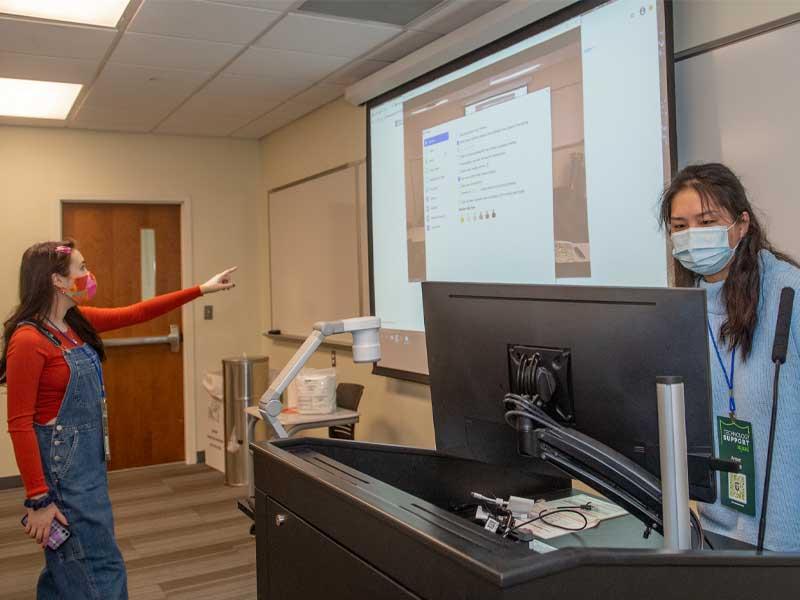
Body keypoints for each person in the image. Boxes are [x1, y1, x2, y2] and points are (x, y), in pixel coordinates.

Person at [1, 239, 237, 599]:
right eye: (81, 268)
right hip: (63, 475)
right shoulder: (28, 340)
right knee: (99, 565)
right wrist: (38, 499)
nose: (88, 274)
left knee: (68, 563)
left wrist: (202, 289)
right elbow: (19, 424)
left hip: (88, 467)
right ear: (57, 281)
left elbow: (137, 312)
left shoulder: (74, 324)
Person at [660, 163, 800, 551]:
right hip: (715, 531)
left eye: (706, 221)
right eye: (680, 226)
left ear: (741, 225)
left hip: (788, 540)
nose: (692, 237)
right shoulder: (682, 308)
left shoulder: (790, 295)